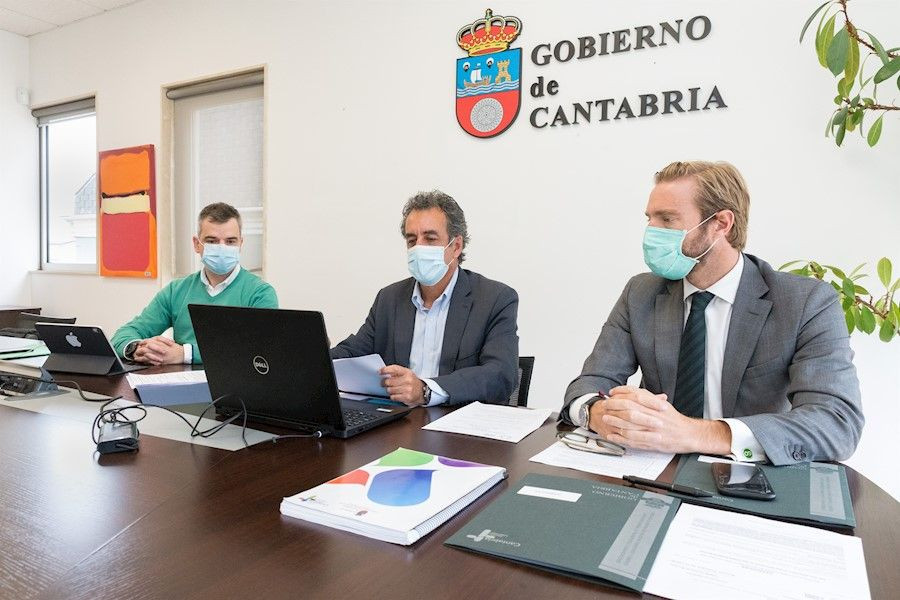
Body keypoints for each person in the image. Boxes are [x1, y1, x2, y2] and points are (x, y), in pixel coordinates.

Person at [562, 161, 863, 465]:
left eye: (667, 219)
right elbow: (590, 383)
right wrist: (596, 412)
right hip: (652, 468)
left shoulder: (806, 302)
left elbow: (837, 423)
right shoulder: (641, 292)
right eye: (649, 219)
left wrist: (694, 433)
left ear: (721, 223)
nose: (651, 232)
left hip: (748, 472)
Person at [331, 190, 519, 407]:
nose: (418, 247)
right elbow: (352, 353)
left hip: (458, 421)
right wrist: (313, 358)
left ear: (456, 246)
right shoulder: (389, 299)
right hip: (401, 420)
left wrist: (425, 390)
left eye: (430, 239)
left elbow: (501, 375)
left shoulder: (495, 299)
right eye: (412, 240)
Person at [111, 202, 278, 365]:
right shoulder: (176, 291)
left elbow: (260, 350)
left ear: (241, 244)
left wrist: (185, 354)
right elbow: (123, 335)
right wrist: (137, 348)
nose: (222, 248)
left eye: (230, 241)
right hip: (179, 380)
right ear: (197, 244)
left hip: (235, 382)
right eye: (212, 241)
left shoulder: (260, 293)